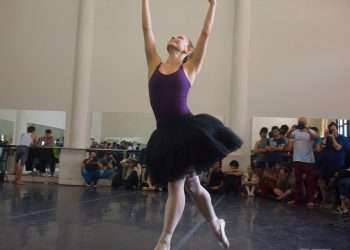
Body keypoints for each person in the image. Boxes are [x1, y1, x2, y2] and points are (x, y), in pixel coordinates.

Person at [142, 0, 242, 249]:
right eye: (174, 35)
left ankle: (165, 239)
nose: (175, 37)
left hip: (186, 130)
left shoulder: (190, 68)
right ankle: (216, 223)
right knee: (194, 186)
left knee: (176, 185)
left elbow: (206, 33)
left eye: (180, 37)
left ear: (187, 50)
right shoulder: (154, 63)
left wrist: (213, 4)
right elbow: (147, 30)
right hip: (165, 133)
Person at [287, 117, 318, 208]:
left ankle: (311, 200)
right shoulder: (295, 132)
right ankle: (297, 200)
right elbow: (288, 136)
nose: (301, 124)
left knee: (310, 181)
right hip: (297, 159)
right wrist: (291, 129)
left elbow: (316, 138)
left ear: (305, 123)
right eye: (299, 122)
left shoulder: (311, 131)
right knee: (298, 181)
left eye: (302, 122)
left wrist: (307, 130)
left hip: (308, 160)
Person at [319, 122, 350, 206]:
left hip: (338, 166)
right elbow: (321, 148)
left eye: (334, 129)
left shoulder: (343, 138)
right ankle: (325, 200)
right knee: (321, 180)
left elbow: (338, 147)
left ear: (337, 129)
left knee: (333, 183)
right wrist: (325, 137)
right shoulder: (327, 139)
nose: (332, 131)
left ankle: (334, 203)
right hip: (326, 165)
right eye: (331, 130)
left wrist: (333, 138)